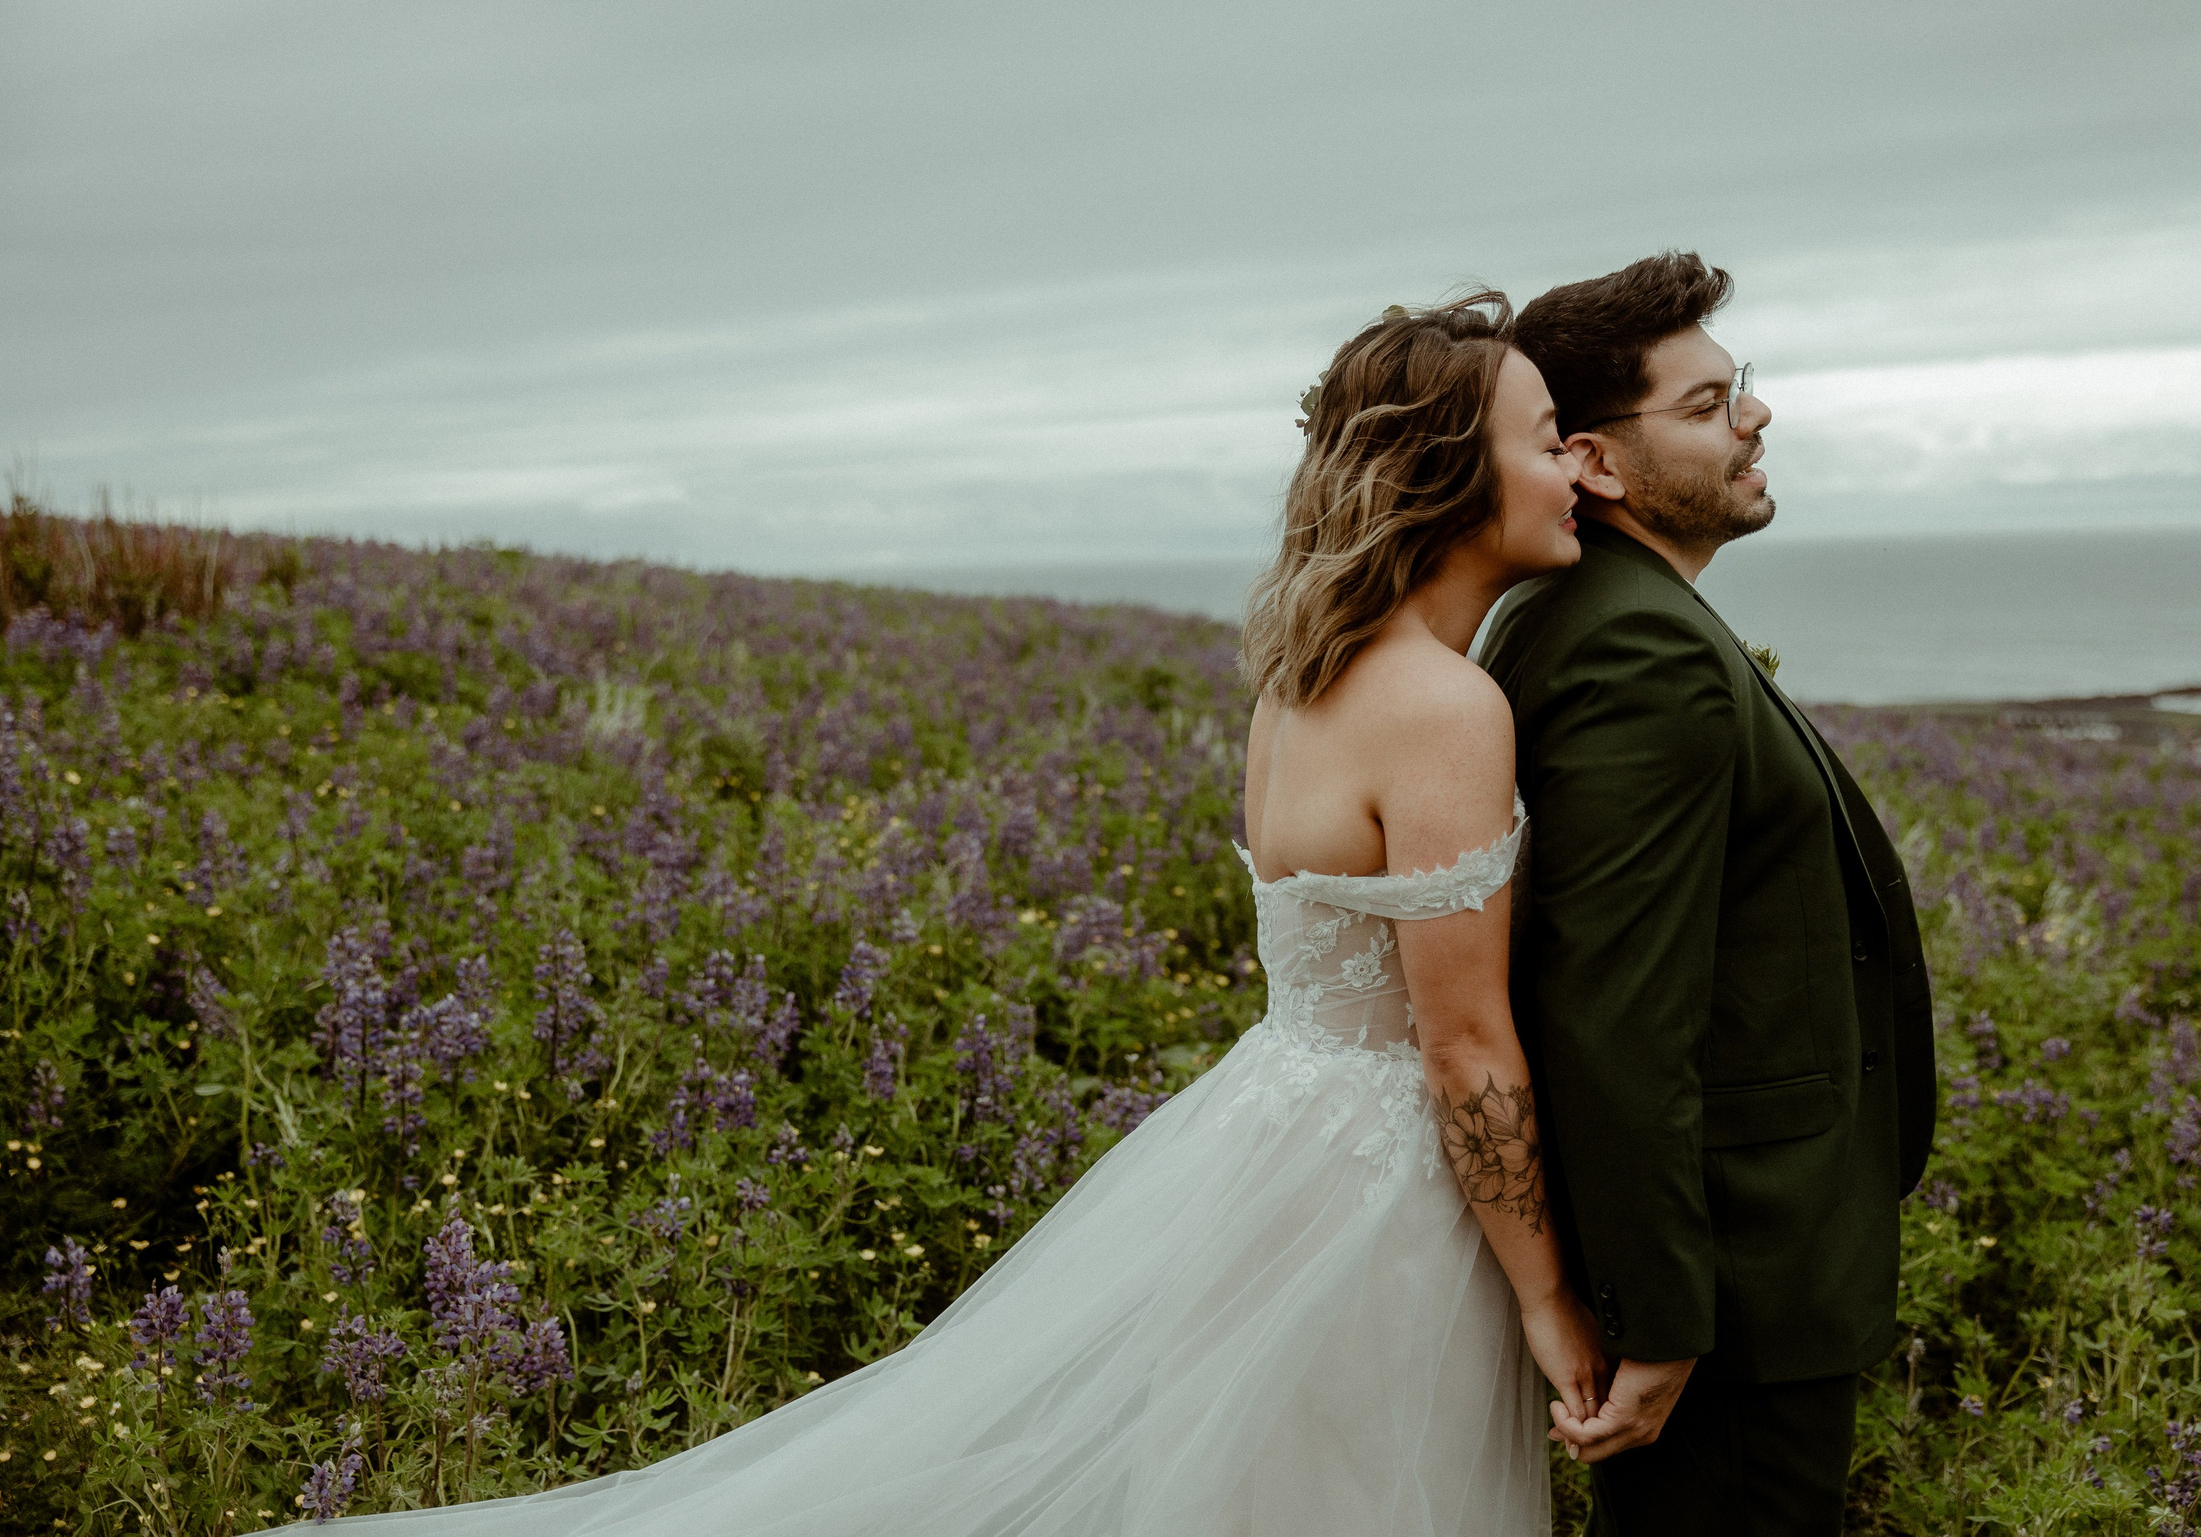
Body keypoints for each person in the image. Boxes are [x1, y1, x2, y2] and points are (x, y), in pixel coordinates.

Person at [279, 291, 1604, 1535]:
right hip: (1379, 1203)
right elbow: (1459, 1043)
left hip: (1269, 1152)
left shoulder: (1299, 683)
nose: (1579, 468)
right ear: (1450, 473)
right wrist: (1549, 1296)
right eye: (1549, 441)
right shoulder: (1445, 706)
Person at [1479, 253, 1939, 1537]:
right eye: (1705, 404)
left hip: (1741, 1268)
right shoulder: (1635, 644)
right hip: (1736, 1279)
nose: (1754, 416)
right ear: (1594, 462)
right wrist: (1665, 1315)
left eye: (1742, 388)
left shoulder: (1603, 611)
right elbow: (1615, 1011)